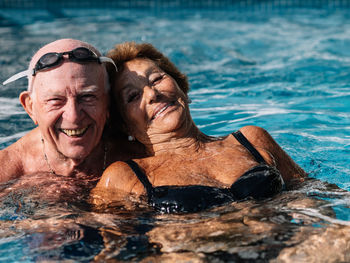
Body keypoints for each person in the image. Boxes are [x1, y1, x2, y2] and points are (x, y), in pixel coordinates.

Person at [92, 42, 307, 213]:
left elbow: (314, 193)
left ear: (181, 87)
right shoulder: (124, 178)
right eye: (133, 96)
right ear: (123, 124)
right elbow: (113, 250)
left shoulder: (251, 140)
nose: (152, 94)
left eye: (157, 79)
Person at [0, 38, 143, 187]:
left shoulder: (140, 158)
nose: (73, 116)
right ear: (30, 107)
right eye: (56, 100)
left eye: (87, 97)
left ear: (108, 101)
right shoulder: (7, 172)